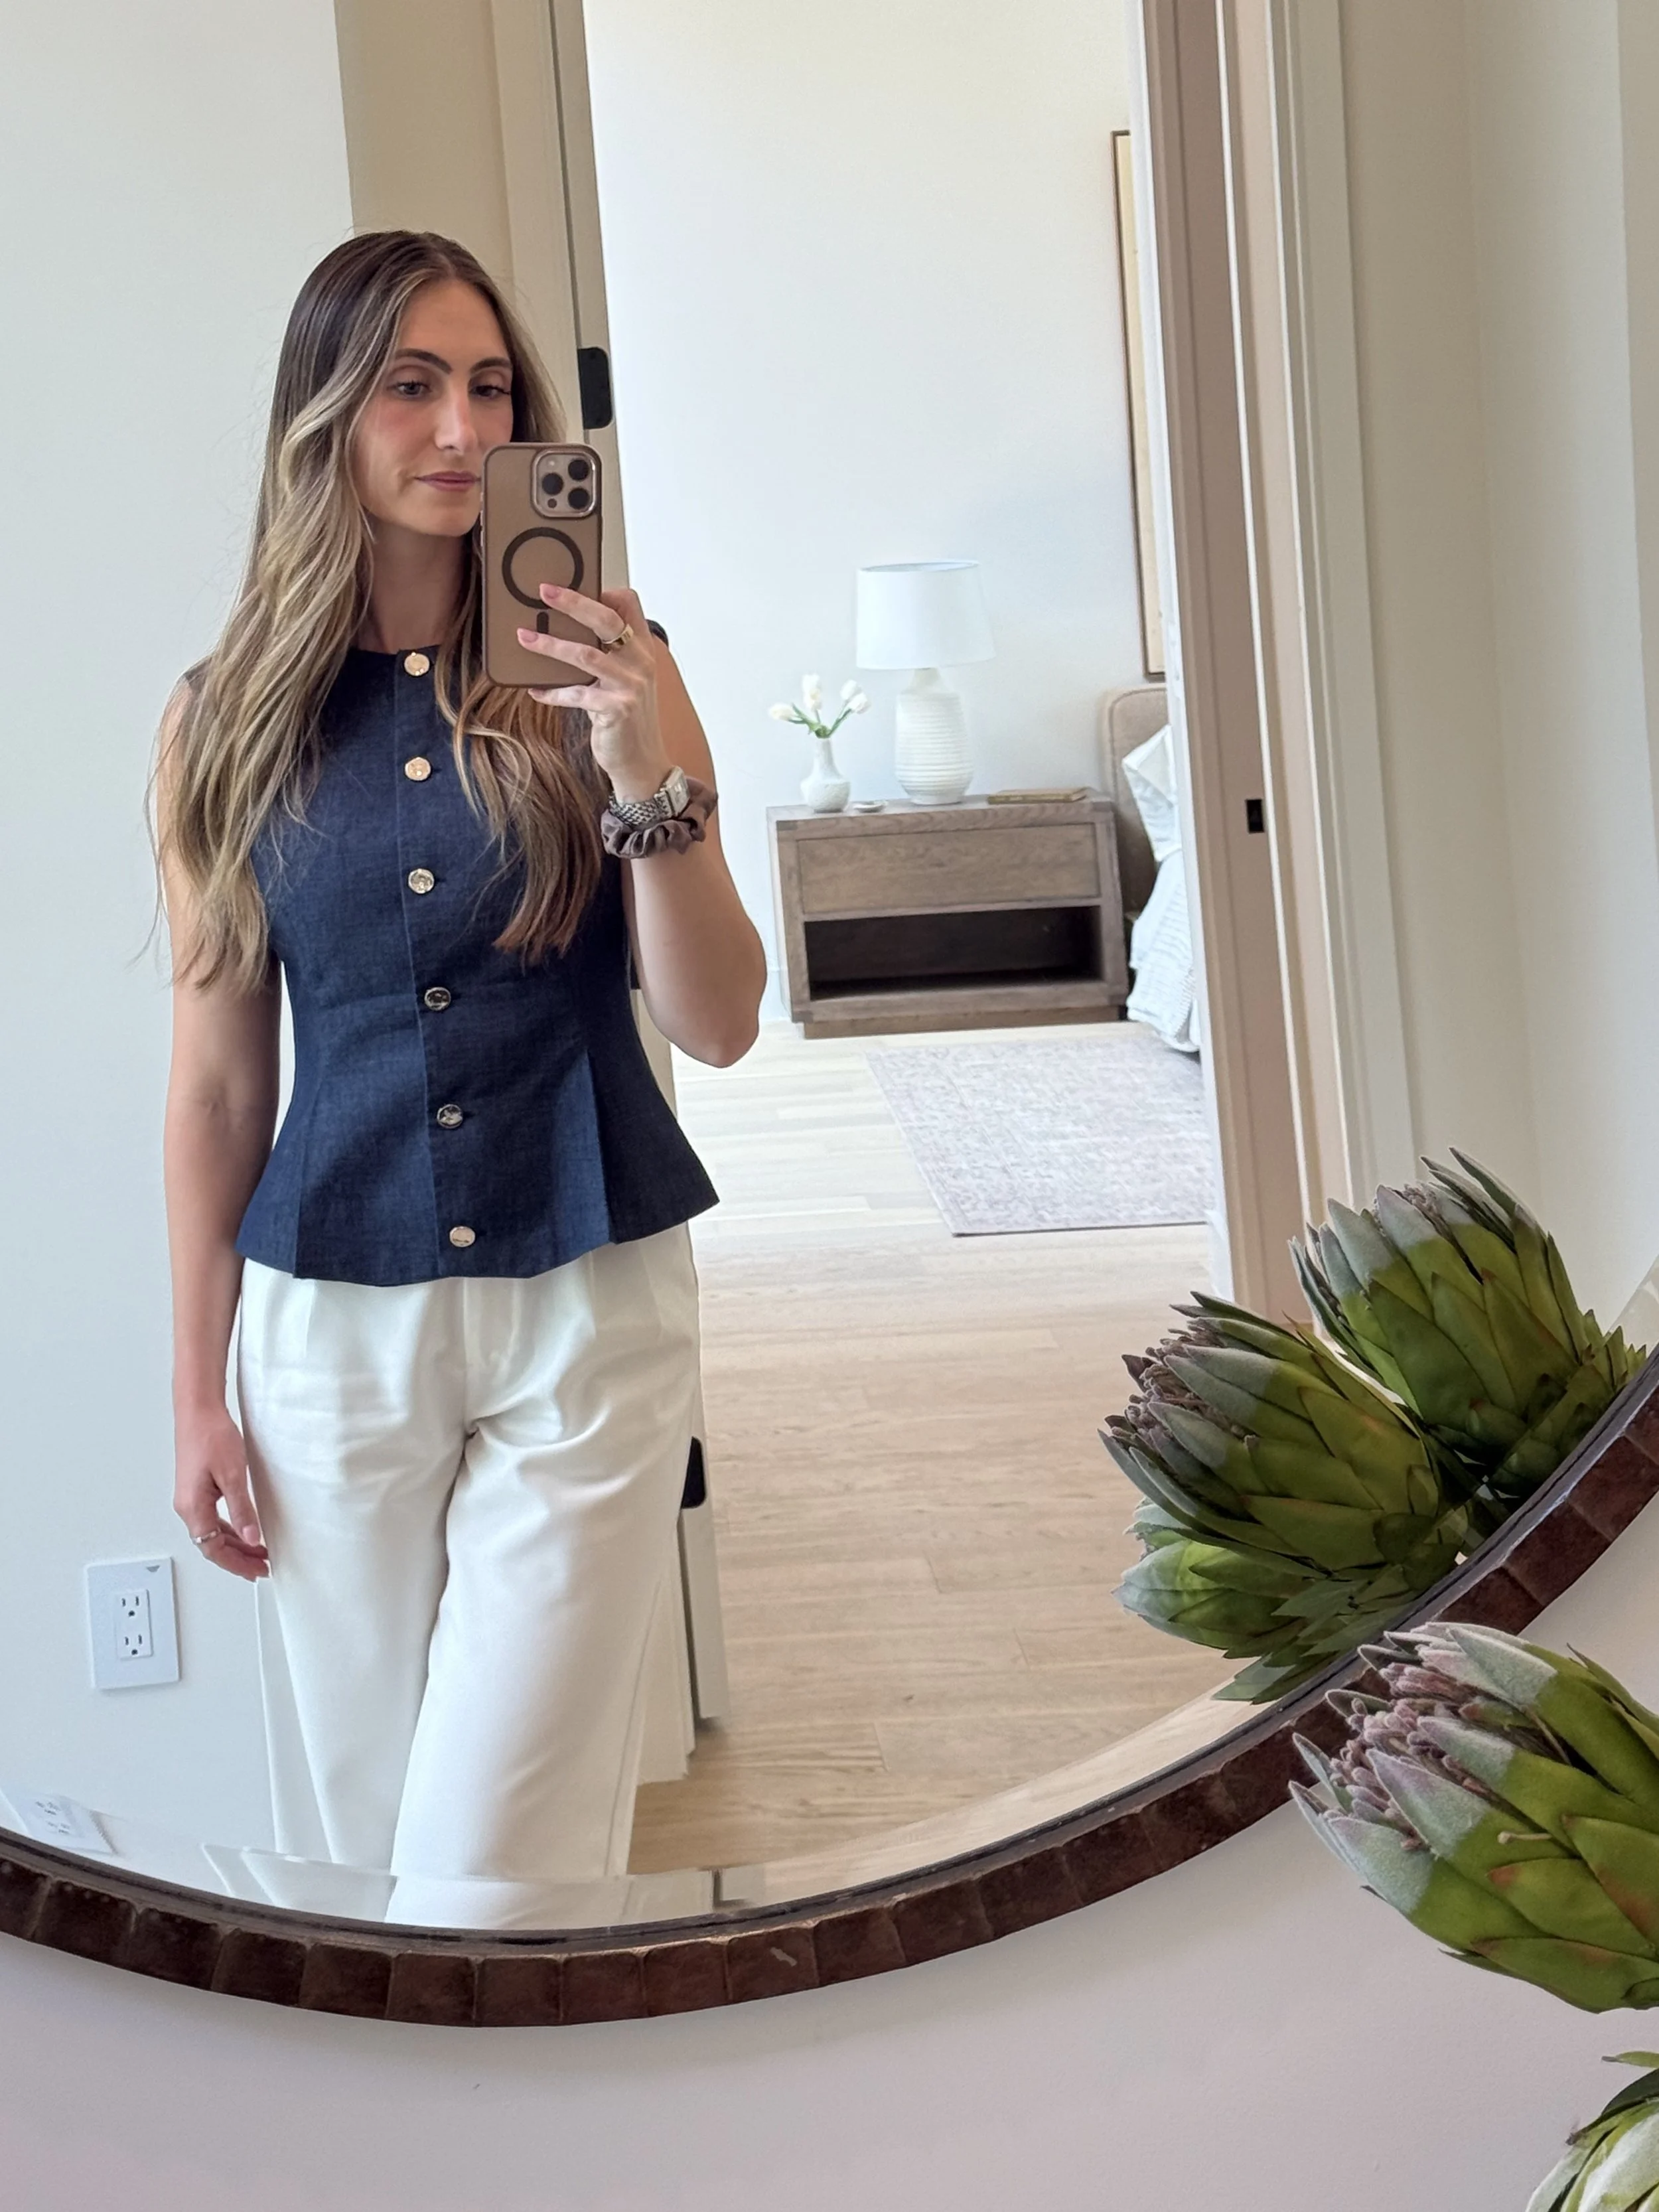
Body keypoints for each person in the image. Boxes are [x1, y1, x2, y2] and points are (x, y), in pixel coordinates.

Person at [151, 230, 765, 1924]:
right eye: (411, 384)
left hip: (593, 1310)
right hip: (330, 1329)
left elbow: (717, 1021)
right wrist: (198, 1386)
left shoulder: (613, 675)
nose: (457, 427)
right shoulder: (221, 727)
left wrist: (647, 775)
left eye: (488, 387)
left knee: (500, 1872)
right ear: (328, 418)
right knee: (359, 1861)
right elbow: (215, 1091)